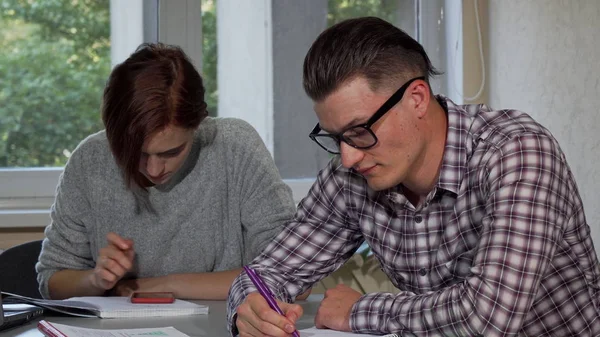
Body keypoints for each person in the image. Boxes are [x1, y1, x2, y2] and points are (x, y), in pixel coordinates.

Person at [226, 16, 600, 337]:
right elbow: (266, 272)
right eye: (336, 137)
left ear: (417, 98)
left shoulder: (517, 152)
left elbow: (488, 318)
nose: (348, 156)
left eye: (359, 130)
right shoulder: (351, 176)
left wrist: (359, 313)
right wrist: (250, 308)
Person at [36, 43, 297, 301]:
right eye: (136, 153)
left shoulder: (235, 147)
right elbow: (52, 281)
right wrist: (95, 280)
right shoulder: (90, 160)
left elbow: (292, 274)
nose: (153, 169)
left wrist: (160, 285)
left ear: (197, 126)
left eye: (171, 152)